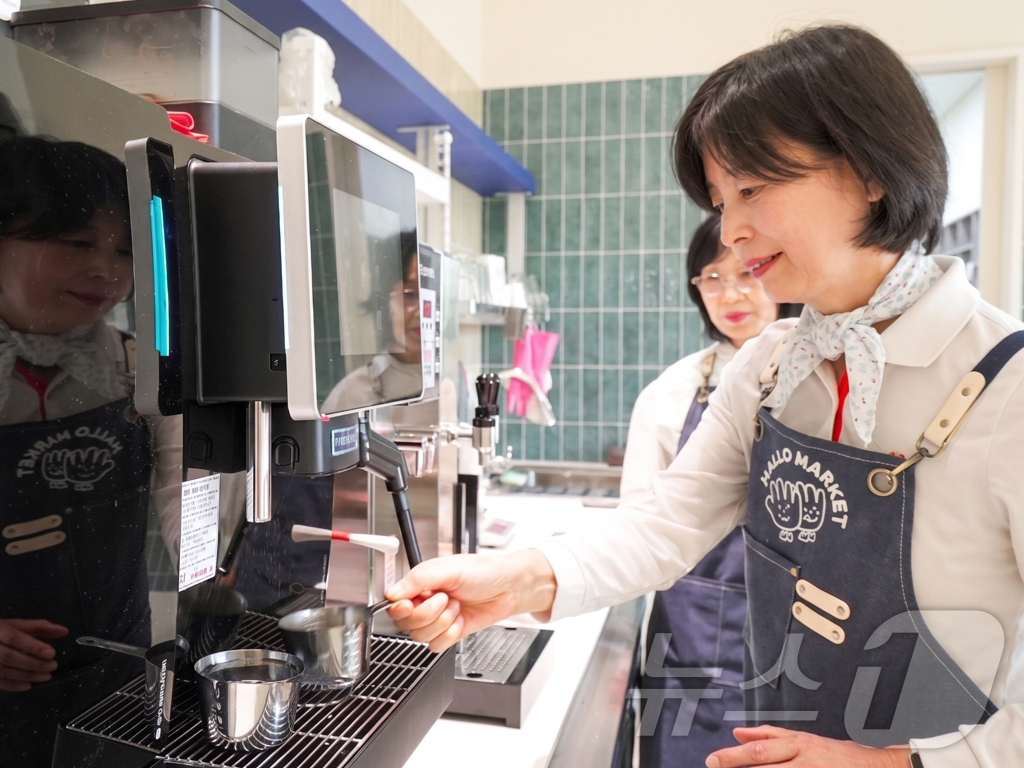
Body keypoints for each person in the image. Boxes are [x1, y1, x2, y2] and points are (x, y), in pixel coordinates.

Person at [384, 25, 1024, 768]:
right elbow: (662, 527)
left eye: (752, 189)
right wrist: (515, 580)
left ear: (871, 170)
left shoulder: (1006, 383)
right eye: (721, 199)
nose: (732, 230)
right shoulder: (769, 369)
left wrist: (894, 766)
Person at [0, 136, 180, 766]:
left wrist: (218, 582)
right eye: (76, 243)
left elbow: (184, 492)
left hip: (119, 675)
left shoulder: (141, 372)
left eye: (126, 249)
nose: (106, 269)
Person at [622, 214, 798, 767]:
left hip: (793, 643)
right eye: (711, 278)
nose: (731, 294)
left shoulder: (821, 380)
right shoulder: (671, 391)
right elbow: (639, 524)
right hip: (686, 644)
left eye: (746, 273)